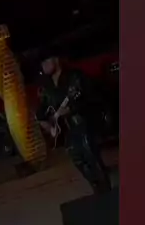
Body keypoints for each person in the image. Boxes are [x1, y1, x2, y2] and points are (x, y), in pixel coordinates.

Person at [36, 54, 111, 194]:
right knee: (79, 162)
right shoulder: (47, 87)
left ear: (56, 59)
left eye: (46, 60)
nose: (43, 65)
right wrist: (48, 126)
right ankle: (98, 190)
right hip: (67, 131)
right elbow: (40, 113)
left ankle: (107, 193)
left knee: (92, 158)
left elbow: (92, 97)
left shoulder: (74, 77)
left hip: (83, 123)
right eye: (41, 63)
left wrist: (72, 108)